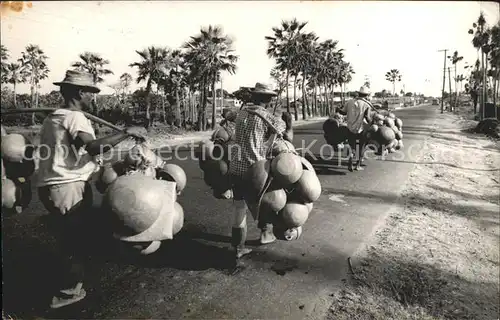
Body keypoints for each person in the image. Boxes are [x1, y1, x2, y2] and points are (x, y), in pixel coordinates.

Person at [37, 70, 146, 309]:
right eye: (90, 92)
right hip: (66, 186)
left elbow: (77, 150)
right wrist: (126, 133)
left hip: (51, 186)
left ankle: (69, 285)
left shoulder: (54, 117)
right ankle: (67, 294)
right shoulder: (75, 117)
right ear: (79, 93)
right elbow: (94, 147)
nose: (92, 97)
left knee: (69, 237)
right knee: (74, 243)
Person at [228, 83, 293, 261]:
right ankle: (266, 233)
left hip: (236, 166)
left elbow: (228, 115)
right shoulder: (267, 117)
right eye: (271, 99)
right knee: (266, 201)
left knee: (239, 208)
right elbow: (284, 130)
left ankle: (238, 248)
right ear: (268, 100)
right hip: (255, 169)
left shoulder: (240, 113)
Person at [338, 85, 373, 172]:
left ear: (359, 93)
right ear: (366, 95)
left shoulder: (349, 102)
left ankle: (351, 155)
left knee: (352, 145)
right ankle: (357, 165)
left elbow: (343, 112)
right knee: (362, 146)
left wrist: (338, 109)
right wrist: (373, 122)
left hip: (350, 128)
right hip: (360, 129)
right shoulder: (367, 104)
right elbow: (367, 118)